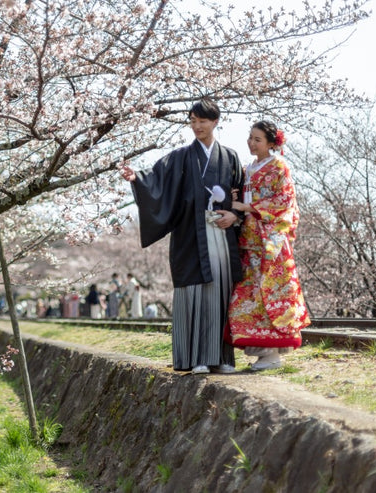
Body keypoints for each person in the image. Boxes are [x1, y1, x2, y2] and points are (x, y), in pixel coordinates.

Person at [120, 97, 244, 374]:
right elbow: (155, 179)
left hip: (221, 233)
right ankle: (196, 357)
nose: (197, 126)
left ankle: (221, 358)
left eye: (202, 121)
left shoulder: (231, 157)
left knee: (220, 291)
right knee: (194, 292)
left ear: (215, 122)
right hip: (190, 234)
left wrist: (235, 216)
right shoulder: (180, 156)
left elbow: (240, 194)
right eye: (193, 121)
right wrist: (137, 179)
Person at [227, 121, 311, 370]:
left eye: (258, 140)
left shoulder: (279, 166)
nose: (252, 143)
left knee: (269, 294)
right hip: (249, 239)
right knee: (250, 294)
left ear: (272, 143)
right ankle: (261, 352)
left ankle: (273, 353)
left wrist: (249, 207)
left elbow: (284, 201)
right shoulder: (248, 168)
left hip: (270, 242)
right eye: (250, 138)